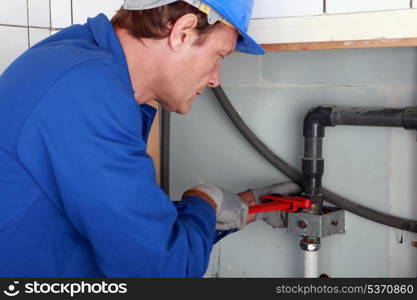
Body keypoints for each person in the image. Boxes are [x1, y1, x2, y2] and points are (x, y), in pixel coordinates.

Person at [0, 0, 299, 277]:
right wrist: (206, 200)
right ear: (182, 32)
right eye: (219, 55)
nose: (214, 78)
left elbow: (120, 222)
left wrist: (235, 207)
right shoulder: (86, 93)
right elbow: (161, 272)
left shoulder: (81, 62)